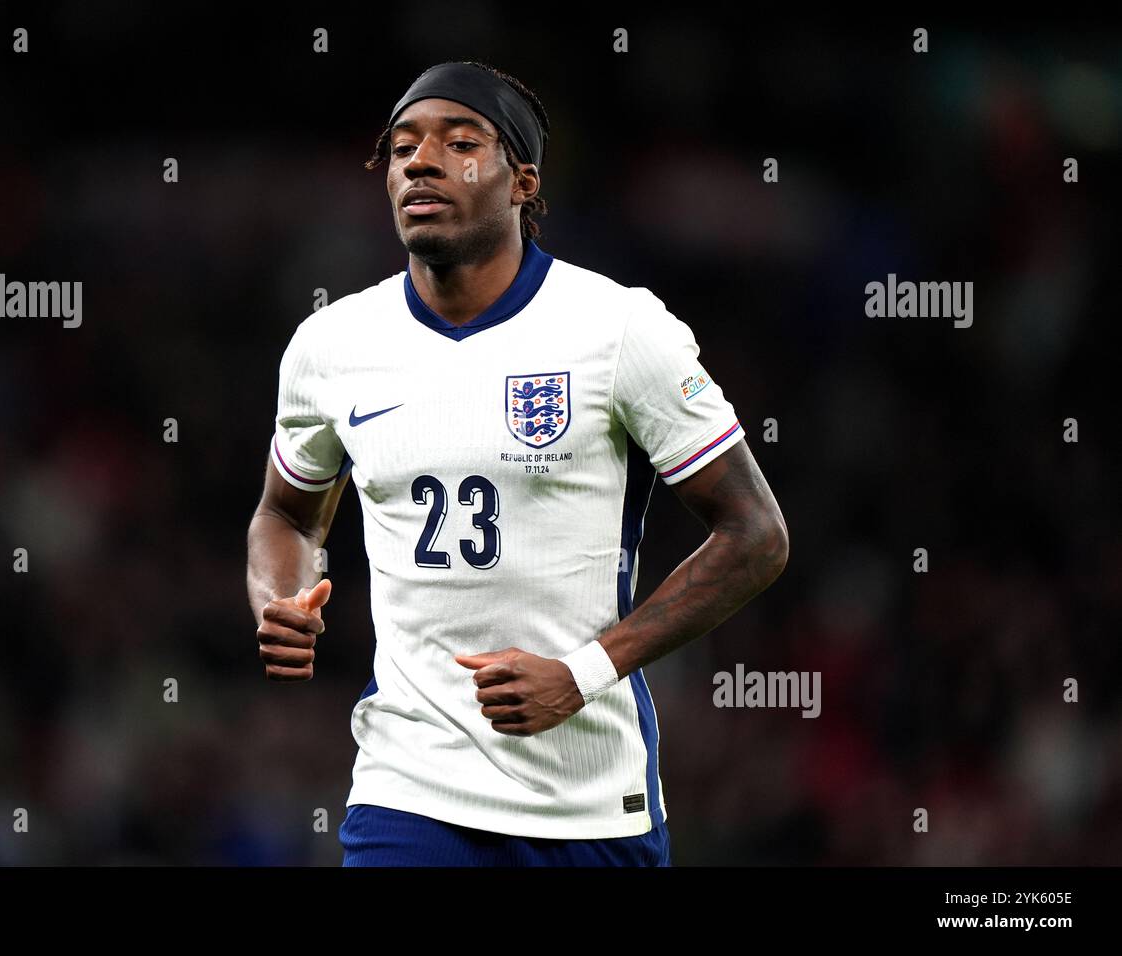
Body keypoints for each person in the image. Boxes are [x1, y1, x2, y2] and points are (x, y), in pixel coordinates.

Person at [246, 60, 789, 866]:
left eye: (460, 142)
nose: (420, 162)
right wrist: (280, 594)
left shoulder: (617, 328)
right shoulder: (332, 346)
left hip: (591, 803)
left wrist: (583, 671)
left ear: (522, 181)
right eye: (400, 149)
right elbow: (287, 511)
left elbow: (756, 534)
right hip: (409, 791)